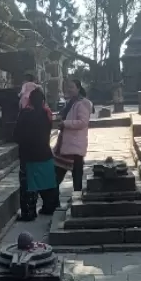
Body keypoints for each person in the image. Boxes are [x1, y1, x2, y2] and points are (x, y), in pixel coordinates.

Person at [14, 87, 58, 219]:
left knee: (28, 185)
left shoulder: (25, 114)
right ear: (43, 100)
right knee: (48, 182)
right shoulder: (47, 114)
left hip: (28, 155)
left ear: (30, 100)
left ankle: (28, 213)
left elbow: (16, 134)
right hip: (44, 152)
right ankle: (50, 207)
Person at [54, 77, 92, 193]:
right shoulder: (71, 103)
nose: (68, 90)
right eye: (67, 87)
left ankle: (77, 201)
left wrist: (65, 123)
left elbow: (83, 122)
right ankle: (53, 202)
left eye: (71, 87)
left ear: (78, 88)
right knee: (57, 176)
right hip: (67, 144)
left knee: (75, 179)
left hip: (75, 145)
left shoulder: (82, 103)